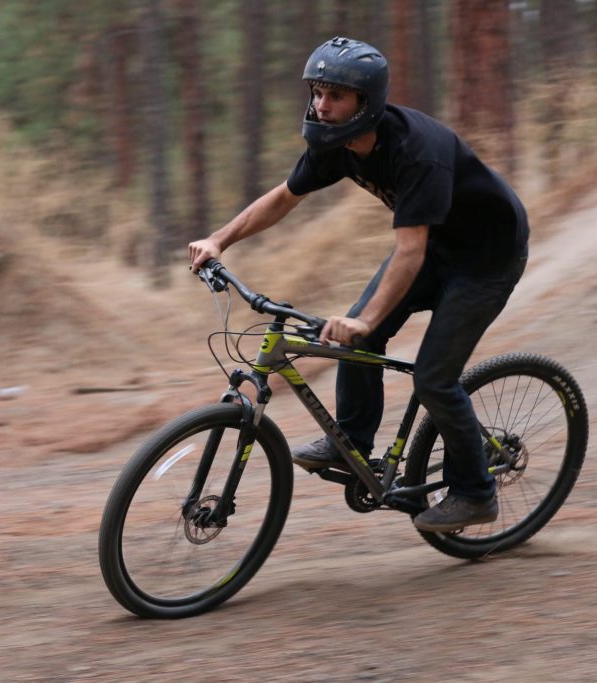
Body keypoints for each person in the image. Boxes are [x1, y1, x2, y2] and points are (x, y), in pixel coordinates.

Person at [187, 37, 529, 533]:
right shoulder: (336, 143)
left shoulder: (418, 152)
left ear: (365, 103)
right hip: (436, 247)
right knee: (358, 337)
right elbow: (284, 198)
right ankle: (352, 443)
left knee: (433, 377)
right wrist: (219, 240)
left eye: (335, 95)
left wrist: (364, 320)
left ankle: (476, 493)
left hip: (486, 259)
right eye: (317, 92)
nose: (321, 105)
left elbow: (410, 250)